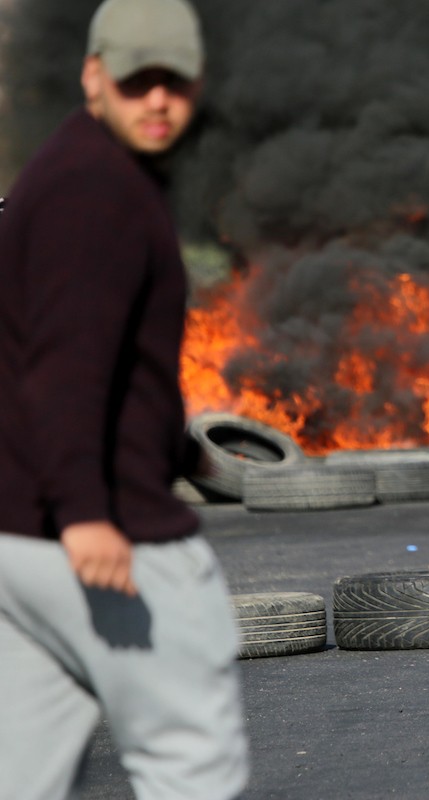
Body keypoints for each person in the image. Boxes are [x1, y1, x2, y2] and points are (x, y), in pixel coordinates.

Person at [0, 0, 249, 797]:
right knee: (191, 766)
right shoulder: (97, 194)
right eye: (137, 81)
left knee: (22, 776)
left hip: (19, 543)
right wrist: (85, 509)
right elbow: (64, 368)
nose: (157, 102)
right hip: (106, 541)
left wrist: (173, 445)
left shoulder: (68, 170)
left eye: (173, 83)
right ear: (93, 75)